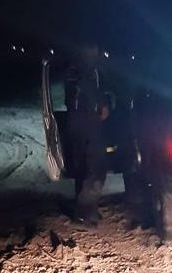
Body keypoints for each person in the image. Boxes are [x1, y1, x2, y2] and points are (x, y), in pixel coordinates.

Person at [64, 43, 107, 223]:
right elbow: (90, 91)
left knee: (82, 168)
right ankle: (85, 214)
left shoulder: (71, 70)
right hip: (88, 124)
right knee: (95, 169)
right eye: (93, 49)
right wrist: (103, 104)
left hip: (75, 124)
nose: (96, 52)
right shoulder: (86, 70)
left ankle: (82, 211)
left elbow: (71, 96)